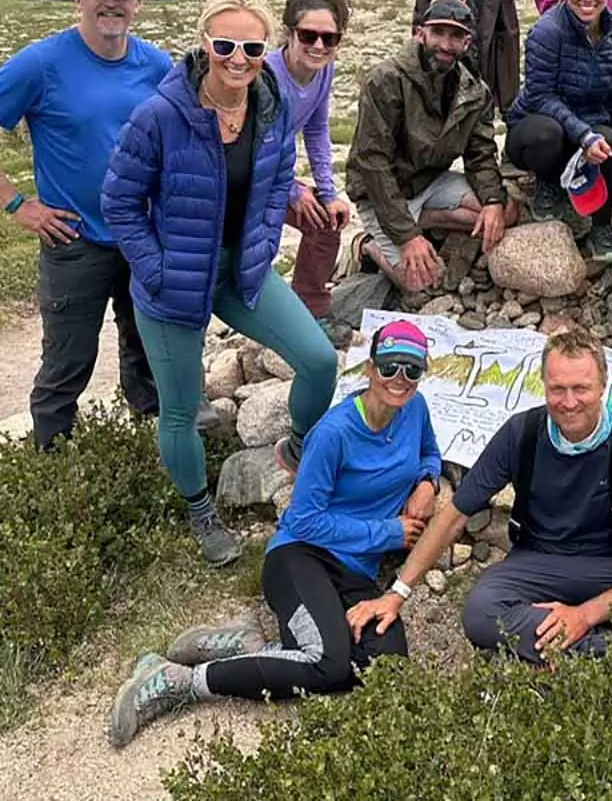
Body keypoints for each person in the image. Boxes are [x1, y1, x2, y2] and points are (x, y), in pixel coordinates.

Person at [105, 320, 441, 749]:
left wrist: (427, 481)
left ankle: (249, 646)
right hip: (301, 556)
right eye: (390, 367)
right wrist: (387, 532)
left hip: (356, 571)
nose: (400, 379)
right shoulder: (334, 433)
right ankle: (179, 680)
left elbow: (429, 451)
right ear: (371, 368)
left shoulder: (415, 409)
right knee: (327, 663)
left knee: (385, 670)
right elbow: (303, 520)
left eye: (412, 369)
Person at [102, 0, 339, 567]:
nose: (238, 58)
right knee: (181, 408)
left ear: (266, 50)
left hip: (241, 271)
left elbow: (279, 180)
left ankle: (298, 446)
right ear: (204, 43)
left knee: (318, 360)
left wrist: (263, 240)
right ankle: (200, 510)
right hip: (173, 280)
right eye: (226, 45)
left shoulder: (271, 108)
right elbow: (119, 202)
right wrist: (154, 268)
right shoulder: (161, 114)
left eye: (252, 47)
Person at [345, 328, 612, 670]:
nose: (569, 402)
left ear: (603, 386)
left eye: (581, 389)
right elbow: (455, 515)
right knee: (481, 611)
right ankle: (602, 656)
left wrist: (585, 615)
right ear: (543, 385)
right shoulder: (521, 433)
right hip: (534, 565)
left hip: (607, 566)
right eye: (558, 389)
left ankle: (568, 652)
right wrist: (397, 593)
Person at [0, 0, 169, 451]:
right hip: (76, 241)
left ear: (138, 4)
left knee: (149, 353)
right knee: (67, 363)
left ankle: (153, 453)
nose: (110, 3)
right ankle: (52, 463)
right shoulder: (42, 63)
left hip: (143, 236)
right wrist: (16, 203)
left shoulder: (156, 64)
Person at [344, 0, 510, 295]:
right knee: (419, 283)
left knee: (501, 216)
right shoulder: (386, 80)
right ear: (420, 33)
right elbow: (373, 162)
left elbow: (480, 153)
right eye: (438, 33)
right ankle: (366, 245)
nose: (445, 45)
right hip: (381, 191)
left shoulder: (474, 91)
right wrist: (407, 236)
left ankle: (423, 218)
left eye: (455, 36)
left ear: (466, 42)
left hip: (430, 181)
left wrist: (493, 201)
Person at [506, 0, 612, 263]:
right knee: (547, 134)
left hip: (589, 129)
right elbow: (539, 96)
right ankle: (548, 182)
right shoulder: (546, 32)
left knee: (610, 140)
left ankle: (601, 224)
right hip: (536, 126)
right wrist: (584, 135)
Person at [269, 0, 354, 331]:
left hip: (274, 176)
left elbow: (317, 130)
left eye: (329, 39)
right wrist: (292, 191)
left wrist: (328, 193)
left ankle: (311, 311)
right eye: (308, 35)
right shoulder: (267, 76)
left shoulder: (323, 71)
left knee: (325, 221)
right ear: (289, 34)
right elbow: (258, 144)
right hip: (244, 176)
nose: (319, 46)